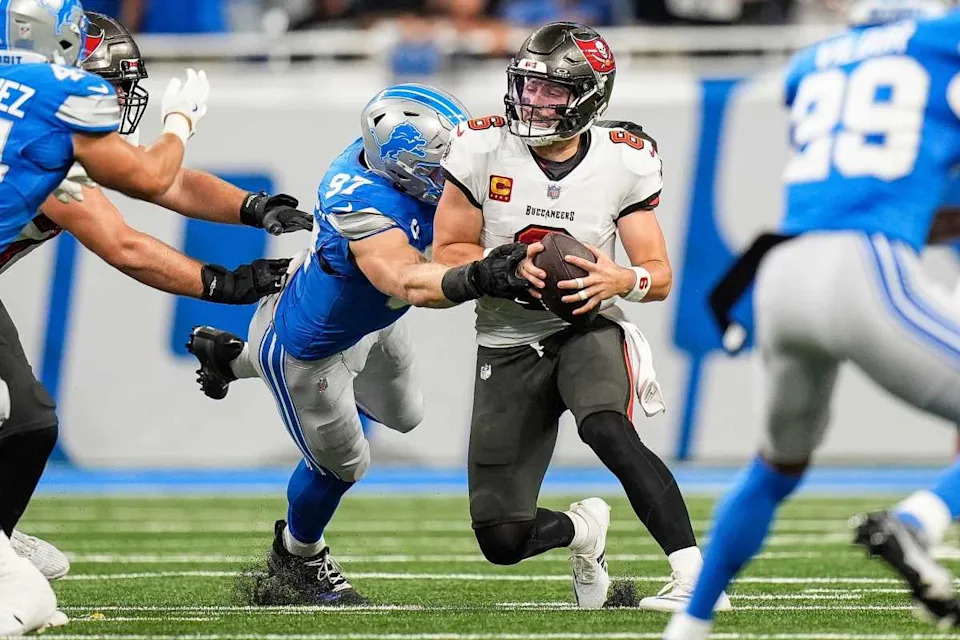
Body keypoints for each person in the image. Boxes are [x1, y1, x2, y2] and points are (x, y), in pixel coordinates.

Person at [663, 2, 960, 637]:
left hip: (784, 272)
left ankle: (688, 626)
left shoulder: (810, 65)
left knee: (775, 466)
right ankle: (917, 522)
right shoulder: (942, 38)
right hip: (865, 267)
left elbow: (872, 173)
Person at [0, 2, 293, 633]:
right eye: (103, 85)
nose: (111, 101)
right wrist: (224, 281)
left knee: (27, 419)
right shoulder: (42, 135)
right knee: (17, 415)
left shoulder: (33, 116)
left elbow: (168, 184)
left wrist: (252, 207)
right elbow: (126, 243)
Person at [185, 83, 530, 605]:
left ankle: (231, 360)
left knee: (407, 415)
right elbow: (407, 280)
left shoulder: (395, 160)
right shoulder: (364, 203)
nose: (454, 174)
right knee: (345, 465)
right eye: (442, 165)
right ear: (404, 166)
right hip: (309, 347)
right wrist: (480, 277)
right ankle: (299, 555)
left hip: (372, 320)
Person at [431, 21, 727, 612]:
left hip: (584, 326)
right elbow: (447, 253)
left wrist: (622, 279)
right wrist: (497, 266)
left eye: (552, 91)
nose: (533, 102)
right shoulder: (479, 146)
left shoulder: (624, 160)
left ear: (589, 97)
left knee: (605, 426)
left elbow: (658, 275)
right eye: (527, 86)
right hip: (507, 339)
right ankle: (582, 531)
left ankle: (697, 582)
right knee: (502, 537)